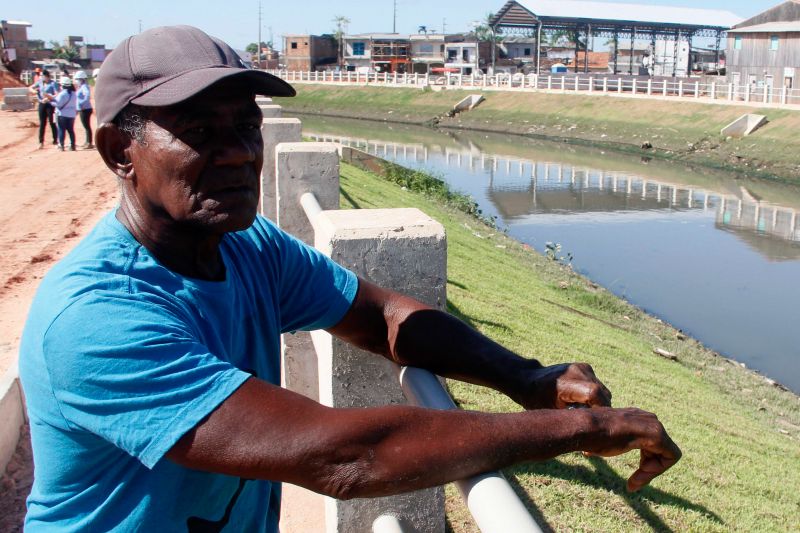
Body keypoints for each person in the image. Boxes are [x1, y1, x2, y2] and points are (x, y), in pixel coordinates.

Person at [19, 25, 681, 532]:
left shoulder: (248, 245)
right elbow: (346, 458)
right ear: (118, 153)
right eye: (197, 131)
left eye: (245, 124)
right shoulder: (94, 316)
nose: (241, 151)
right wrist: (587, 428)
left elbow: (387, 320)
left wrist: (526, 376)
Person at [45, 76, 78, 151]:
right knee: (71, 130)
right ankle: (72, 145)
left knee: (61, 130)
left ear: (62, 85)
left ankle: (61, 145)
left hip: (62, 114)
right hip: (72, 115)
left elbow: (58, 104)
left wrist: (50, 101)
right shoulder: (73, 93)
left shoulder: (62, 94)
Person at [29, 70, 57, 149]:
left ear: (47, 76)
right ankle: (41, 141)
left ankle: (55, 140)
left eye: (43, 76)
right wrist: (33, 91)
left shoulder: (53, 83)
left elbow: (57, 93)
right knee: (42, 123)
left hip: (50, 104)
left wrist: (49, 98)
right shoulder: (40, 82)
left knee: (52, 122)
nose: (42, 77)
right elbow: (31, 87)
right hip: (42, 103)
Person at [73, 70, 94, 149]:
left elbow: (87, 96)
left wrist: (81, 104)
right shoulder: (81, 87)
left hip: (85, 109)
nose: (77, 81)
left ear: (81, 79)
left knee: (86, 126)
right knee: (86, 126)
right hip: (83, 109)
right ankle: (87, 141)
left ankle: (89, 142)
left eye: (78, 79)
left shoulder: (84, 86)